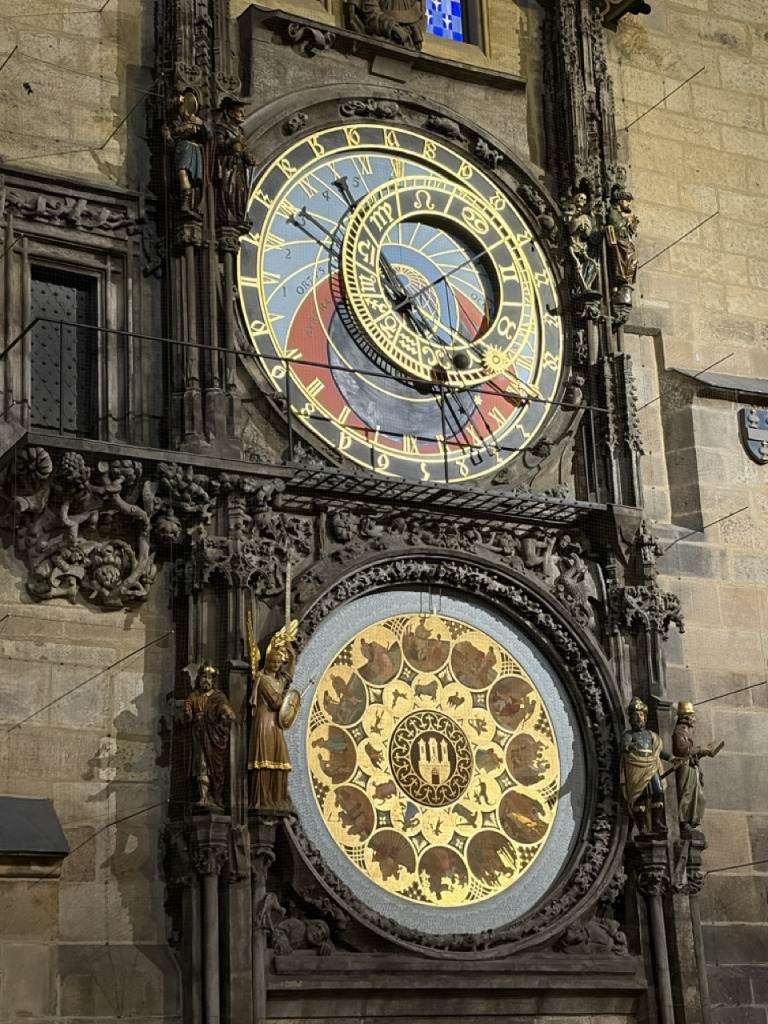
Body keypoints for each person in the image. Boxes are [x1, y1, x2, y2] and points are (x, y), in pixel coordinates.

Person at [248, 624, 297, 810]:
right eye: (273, 662)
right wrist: (288, 698)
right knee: (265, 760)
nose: (276, 665)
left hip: (274, 723)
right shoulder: (263, 680)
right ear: (267, 662)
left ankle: (278, 799)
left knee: (281, 758)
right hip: (265, 721)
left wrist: (292, 657)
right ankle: (263, 799)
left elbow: (288, 676)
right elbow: (276, 703)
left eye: (279, 662)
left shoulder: (277, 679)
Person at [620, 697, 677, 834]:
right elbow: (623, 746)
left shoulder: (651, 735)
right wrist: (629, 747)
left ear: (645, 718)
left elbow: (658, 752)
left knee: (658, 793)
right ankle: (642, 827)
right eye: (636, 715)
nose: (639, 718)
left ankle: (656, 822)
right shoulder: (629, 734)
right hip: (636, 768)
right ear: (631, 718)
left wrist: (672, 758)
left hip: (651, 767)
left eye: (641, 715)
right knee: (639, 797)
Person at [183, 664, 236, 808]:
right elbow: (186, 717)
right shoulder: (194, 696)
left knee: (216, 766)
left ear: (213, 681)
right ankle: (203, 796)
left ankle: (215, 795)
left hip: (214, 736)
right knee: (201, 764)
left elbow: (225, 708)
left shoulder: (218, 696)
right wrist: (187, 712)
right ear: (199, 679)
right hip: (199, 735)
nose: (206, 680)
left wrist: (227, 712)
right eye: (203, 677)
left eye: (209, 678)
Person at [672, 701, 723, 834]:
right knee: (687, 794)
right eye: (692, 716)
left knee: (698, 796)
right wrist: (700, 750)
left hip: (692, 767)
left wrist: (702, 752)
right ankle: (684, 821)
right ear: (686, 717)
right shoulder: (679, 732)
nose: (694, 719)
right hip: (685, 768)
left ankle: (690, 820)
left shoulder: (686, 732)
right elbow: (682, 750)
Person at [163, 92, 213, 214]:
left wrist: (201, 124)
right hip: (179, 151)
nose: (183, 111)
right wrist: (168, 137)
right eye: (181, 109)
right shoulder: (176, 126)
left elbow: (209, 135)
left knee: (183, 173)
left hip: (190, 150)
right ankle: (185, 202)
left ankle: (187, 203)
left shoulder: (195, 122)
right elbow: (171, 147)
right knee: (180, 176)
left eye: (184, 108)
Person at [213, 98, 254, 228]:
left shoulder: (241, 132)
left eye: (243, 112)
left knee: (241, 191)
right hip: (228, 165)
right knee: (229, 191)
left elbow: (244, 149)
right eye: (239, 111)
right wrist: (233, 142)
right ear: (230, 113)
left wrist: (249, 158)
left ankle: (240, 216)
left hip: (239, 166)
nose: (243, 114)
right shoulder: (222, 128)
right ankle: (229, 216)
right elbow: (218, 145)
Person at [605, 184, 639, 307]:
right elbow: (615, 224)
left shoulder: (619, 214)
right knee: (629, 259)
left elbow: (626, 232)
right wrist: (627, 220)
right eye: (627, 201)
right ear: (620, 202)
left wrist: (632, 226)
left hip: (624, 242)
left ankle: (624, 283)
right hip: (619, 244)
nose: (629, 204)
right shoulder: (613, 212)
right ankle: (620, 284)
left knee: (632, 261)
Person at [358, 0, 426, 49]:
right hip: (383, 37)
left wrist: (416, 33)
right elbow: (370, 10)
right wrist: (392, 27)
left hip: (408, 42)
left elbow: (414, 13)